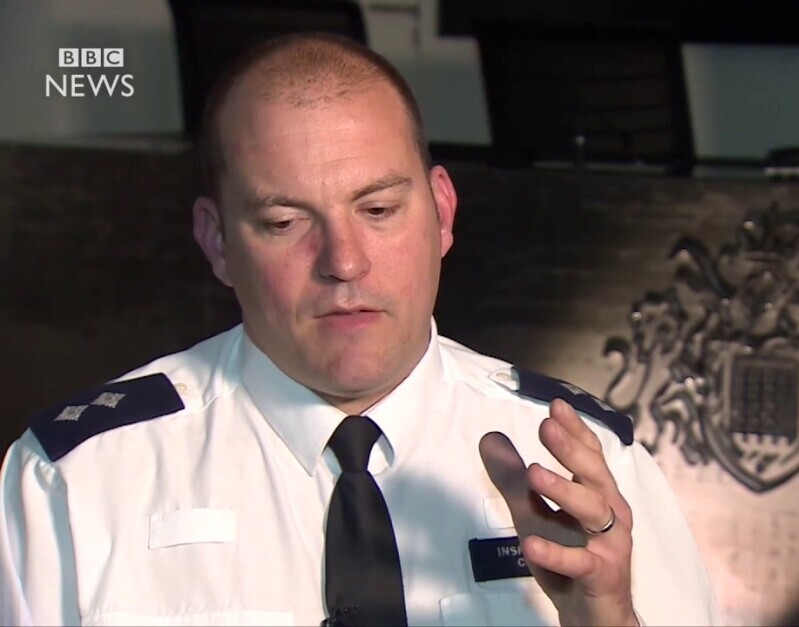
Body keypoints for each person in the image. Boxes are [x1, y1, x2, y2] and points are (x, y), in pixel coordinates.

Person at [0, 33, 721, 626]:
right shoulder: (77, 480)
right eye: (284, 222)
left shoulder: (592, 469)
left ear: (441, 212)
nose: (343, 262)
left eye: (377, 211)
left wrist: (607, 620)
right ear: (217, 241)